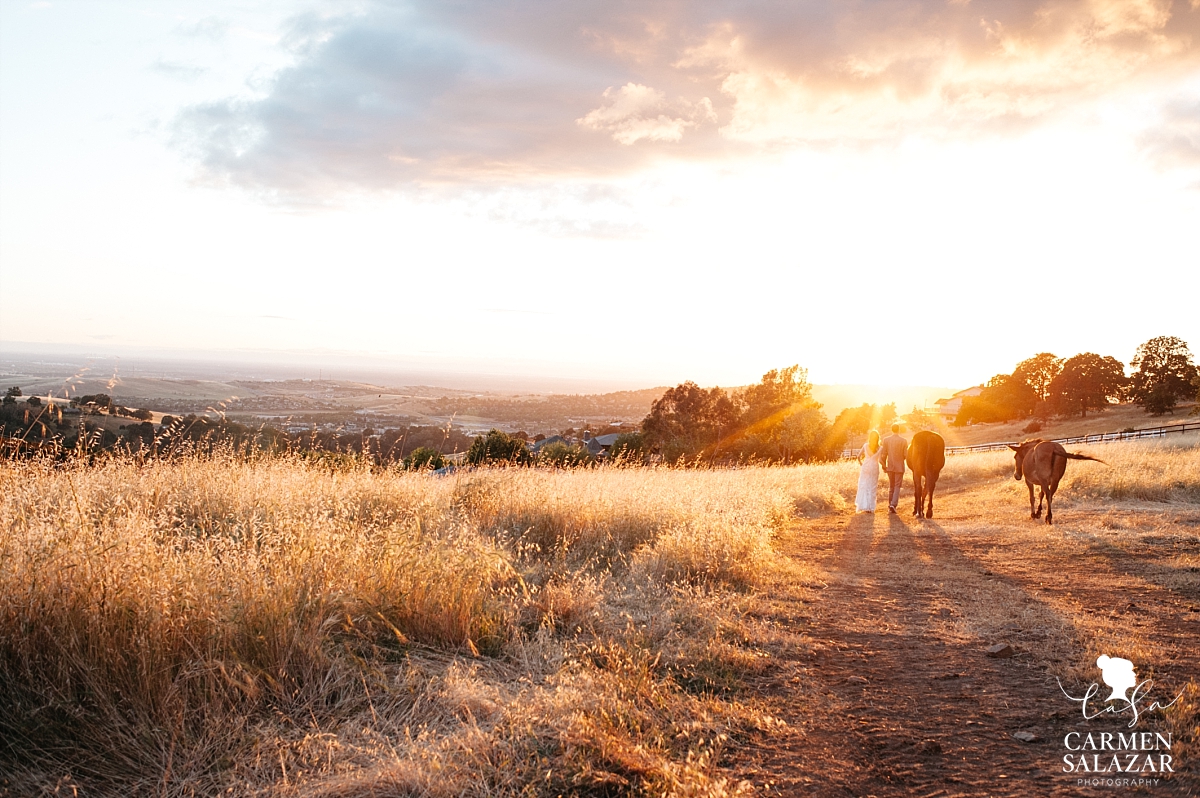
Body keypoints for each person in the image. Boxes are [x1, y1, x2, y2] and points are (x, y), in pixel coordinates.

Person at [878, 423, 908, 514]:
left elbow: (884, 454)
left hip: (890, 466)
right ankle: (893, 505)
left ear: (892, 430)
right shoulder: (904, 441)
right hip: (899, 467)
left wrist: (884, 465)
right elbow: (905, 455)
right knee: (897, 486)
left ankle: (890, 505)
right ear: (898, 430)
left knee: (891, 486)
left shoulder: (886, 440)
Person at [855, 429, 884, 512]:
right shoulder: (880, 448)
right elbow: (881, 460)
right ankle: (871, 507)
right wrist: (885, 467)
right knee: (872, 486)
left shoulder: (865, 445)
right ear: (878, 438)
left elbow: (858, 456)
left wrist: (861, 464)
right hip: (874, 467)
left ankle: (863, 505)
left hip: (866, 466)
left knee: (864, 484)